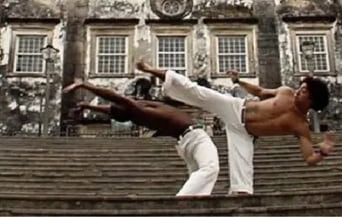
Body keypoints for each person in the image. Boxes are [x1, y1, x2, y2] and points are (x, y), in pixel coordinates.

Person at [136, 60, 335, 196]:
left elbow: (309, 158)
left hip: (245, 133)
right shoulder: (285, 93)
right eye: (301, 88)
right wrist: (238, 81)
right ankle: (151, 69)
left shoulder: (300, 126)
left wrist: (323, 153)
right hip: (236, 108)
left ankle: (238, 199)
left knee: (244, 175)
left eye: (304, 92)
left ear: (311, 100)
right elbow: (259, 91)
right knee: (197, 91)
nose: (299, 91)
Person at [62, 79, 219, 196]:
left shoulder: (139, 112)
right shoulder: (138, 109)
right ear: (128, 107)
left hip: (184, 143)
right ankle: (181, 201)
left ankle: (195, 202)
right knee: (210, 167)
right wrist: (84, 85)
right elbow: (113, 97)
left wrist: (88, 106)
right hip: (195, 136)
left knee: (197, 175)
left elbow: (111, 109)